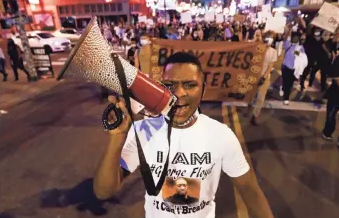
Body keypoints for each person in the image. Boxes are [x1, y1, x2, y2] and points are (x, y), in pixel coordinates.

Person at [93, 52, 274, 218]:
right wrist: (117, 137)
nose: (178, 94)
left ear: (203, 90)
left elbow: (251, 193)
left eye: (190, 85)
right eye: (170, 85)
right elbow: (103, 192)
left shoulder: (222, 135)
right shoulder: (142, 130)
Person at [250, 31, 277, 126]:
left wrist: (264, 77)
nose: (269, 40)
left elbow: (270, 66)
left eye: (272, 38)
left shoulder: (273, 52)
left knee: (260, 98)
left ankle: (255, 115)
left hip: (264, 78)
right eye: (268, 37)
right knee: (251, 94)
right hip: (253, 76)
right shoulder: (258, 48)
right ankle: (250, 105)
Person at [280, 32, 305, 105]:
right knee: (285, 82)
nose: (295, 39)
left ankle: (285, 93)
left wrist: (296, 53)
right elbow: (284, 40)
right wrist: (288, 32)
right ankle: (284, 93)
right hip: (285, 67)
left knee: (290, 84)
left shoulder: (301, 48)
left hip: (294, 69)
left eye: (297, 38)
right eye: (294, 37)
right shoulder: (289, 45)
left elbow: (302, 57)